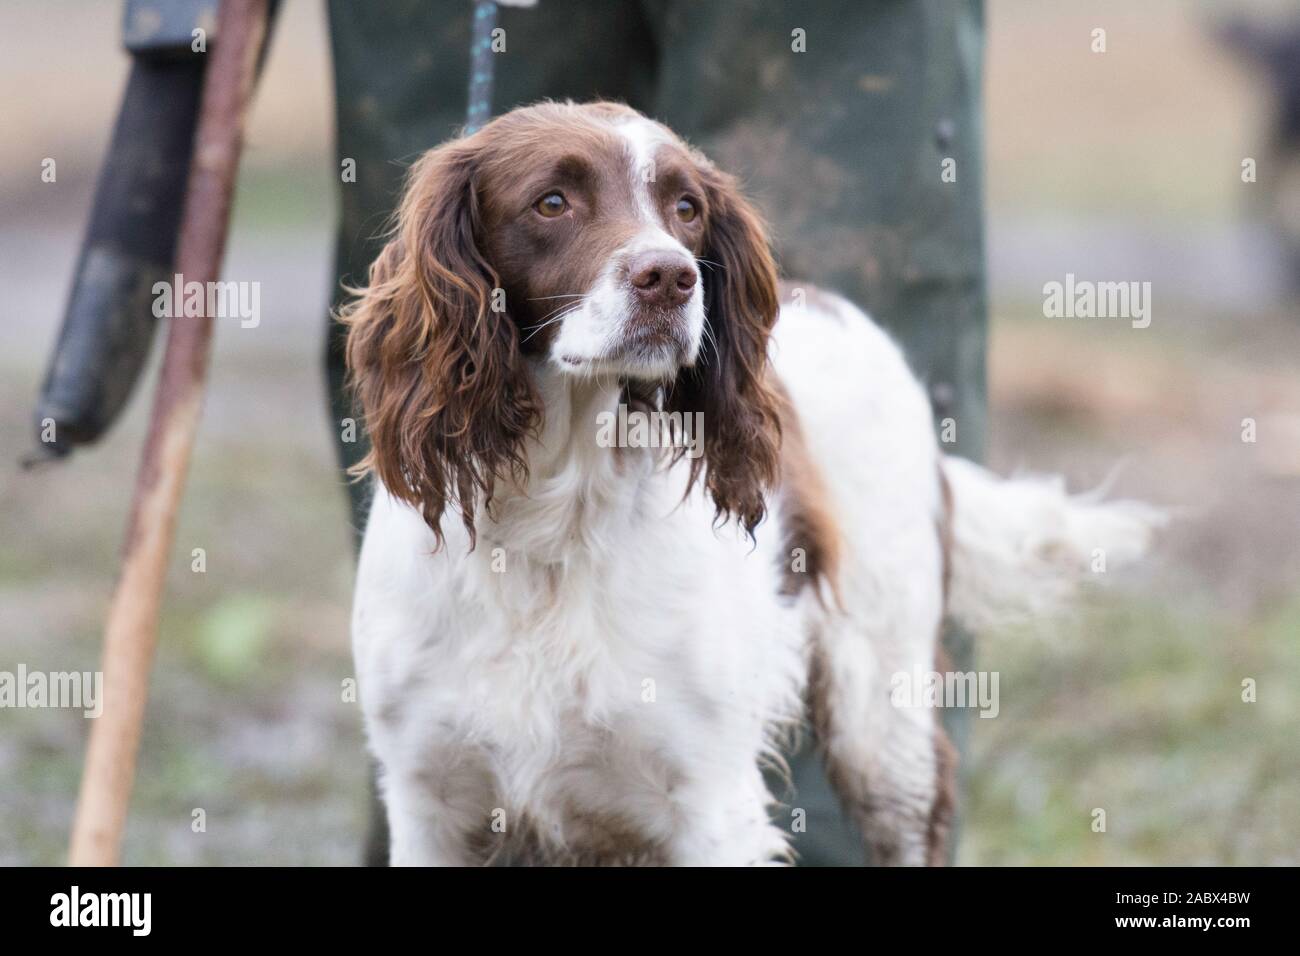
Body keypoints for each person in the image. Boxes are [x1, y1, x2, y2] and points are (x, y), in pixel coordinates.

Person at [324, 0, 987, 866]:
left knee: (886, 778)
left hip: (849, 462)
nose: (659, 258)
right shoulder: (406, 580)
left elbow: (711, 830)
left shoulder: (826, 397)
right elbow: (432, 831)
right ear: (471, 265)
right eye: (555, 203)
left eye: (679, 214)